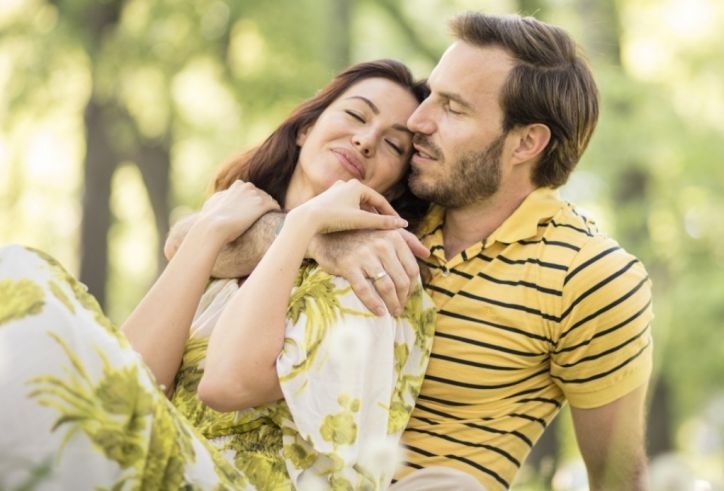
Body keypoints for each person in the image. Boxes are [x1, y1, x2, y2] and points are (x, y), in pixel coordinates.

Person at [181, 12, 655, 490]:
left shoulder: (588, 276)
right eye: (431, 95)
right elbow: (188, 241)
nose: (417, 120)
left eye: (453, 107)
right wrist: (315, 237)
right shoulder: (398, 201)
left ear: (527, 142)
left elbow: (617, 473)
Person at [0, 59, 436, 490]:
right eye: (356, 115)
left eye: (394, 146)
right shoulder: (234, 248)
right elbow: (131, 377)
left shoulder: (375, 272)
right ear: (306, 128)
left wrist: (305, 225)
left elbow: (226, 383)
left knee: (26, 274)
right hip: (161, 467)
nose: (364, 140)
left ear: (395, 187)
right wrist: (209, 232)